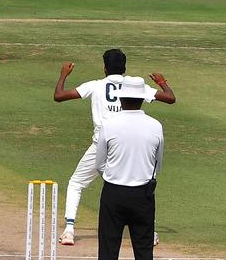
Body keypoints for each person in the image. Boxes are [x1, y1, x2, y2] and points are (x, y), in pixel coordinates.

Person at [53, 50, 175, 245]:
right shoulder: (135, 86)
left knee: (76, 183)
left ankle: (69, 230)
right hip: (129, 144)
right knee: (138, 183)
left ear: (104, 68)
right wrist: (161, 81)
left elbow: (59, 96)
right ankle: (149, 232)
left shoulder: (95, 85)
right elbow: (170, 98)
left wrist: (63, 75)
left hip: (101, 144)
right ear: (124, 68)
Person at [88, 76, 164, 260]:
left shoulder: (110, 124)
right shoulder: (155, 126)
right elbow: (158, 164)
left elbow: (99, 163)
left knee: (108, 252)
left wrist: (115, 175)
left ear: (121, 98)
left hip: (114, 193)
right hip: (143, 195)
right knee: (144, 253)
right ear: (142, 98)